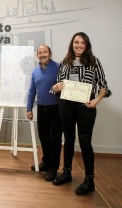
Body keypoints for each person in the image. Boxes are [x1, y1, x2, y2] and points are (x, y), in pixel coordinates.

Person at [51, 32, 112, 195]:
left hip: (86, 107)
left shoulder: (94, 62)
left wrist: (96, 100)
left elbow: (104, 86)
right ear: (72, 44)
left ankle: (89, 180)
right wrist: (56, 87)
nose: (79, 45)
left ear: (87, 45)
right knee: (68, 140)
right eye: (76, 42)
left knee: (85, 142)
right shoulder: (65, 62)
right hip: (66, 106)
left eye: (82, 43)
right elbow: (57, 86)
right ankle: (67, 172)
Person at [26, 44, 62, 181]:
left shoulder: (58, 68)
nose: (42, 55)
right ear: (37, 55)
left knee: (55, 139)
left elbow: (63, 85)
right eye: (40, 53)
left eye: (45, 52)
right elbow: (32, 91)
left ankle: (54, 168)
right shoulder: (35, 72)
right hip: (41, 108)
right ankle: (46, 162)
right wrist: (29, 108)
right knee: (44, 137)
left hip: (56, 108)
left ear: (50, 53)